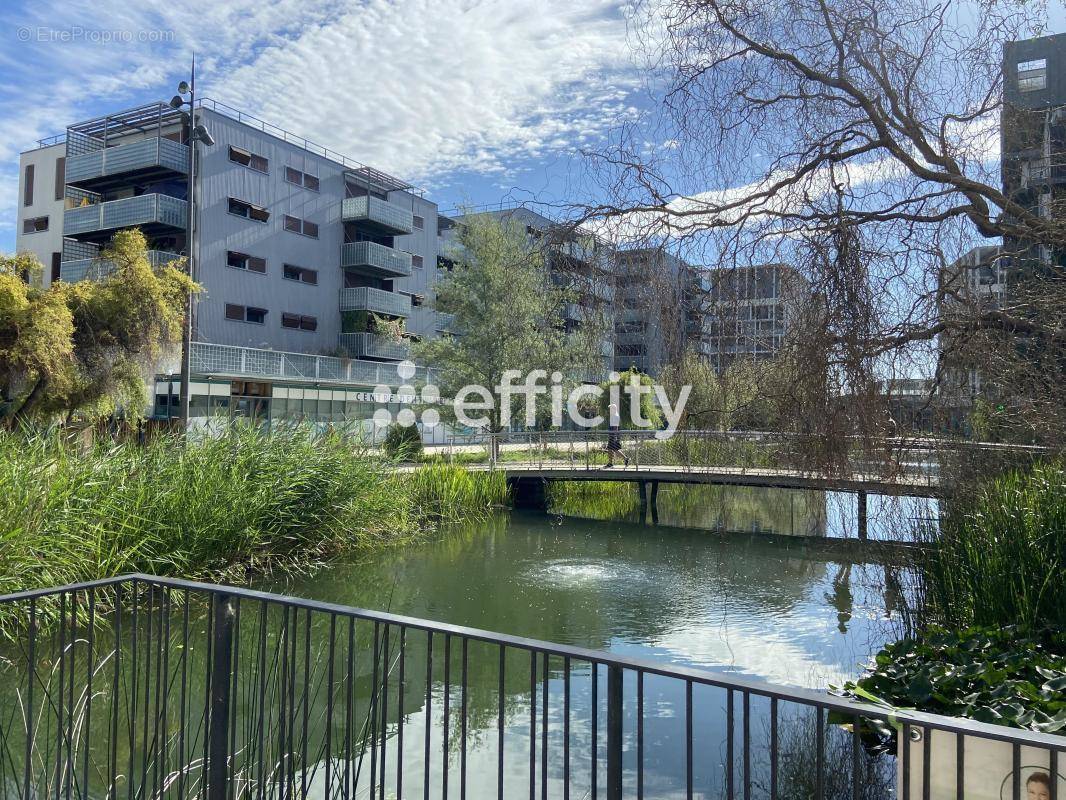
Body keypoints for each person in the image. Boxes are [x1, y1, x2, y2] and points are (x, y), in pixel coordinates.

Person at [604, 402, 630, 468]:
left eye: (610, 409)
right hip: (612, 435)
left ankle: (625, 459)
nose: (609, 410)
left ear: (614, 409)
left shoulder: (615, 416)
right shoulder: (614, 416)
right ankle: (611, 463)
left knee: (614, 449)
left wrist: (614, 436)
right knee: (610, 449)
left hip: (613, 436)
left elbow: (616, 427)